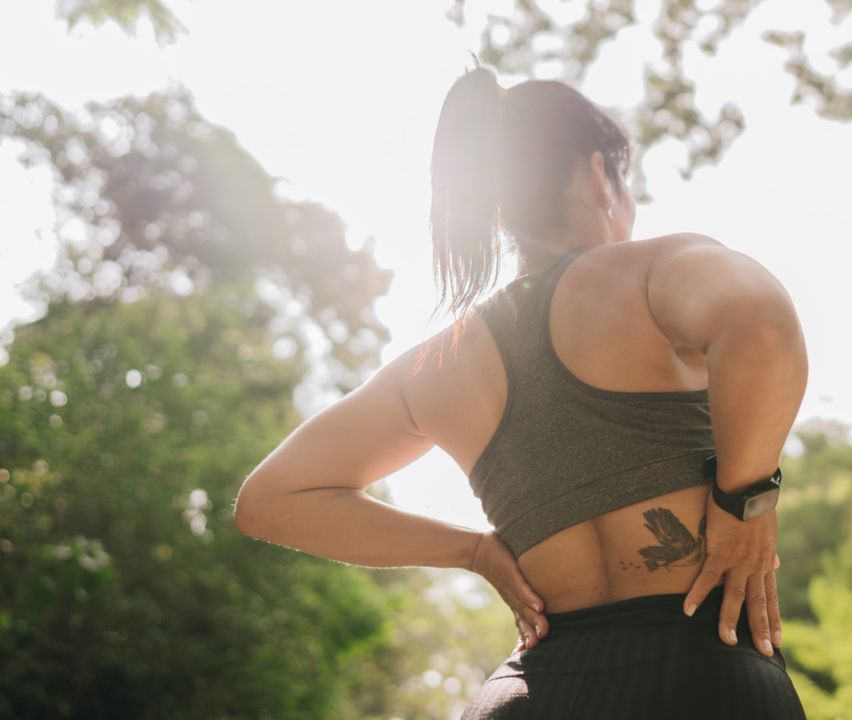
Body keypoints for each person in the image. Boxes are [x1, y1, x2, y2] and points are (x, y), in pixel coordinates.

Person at [233, 62, 809, 719]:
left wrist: (473, 550)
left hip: (527, 695)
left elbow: (269, 502)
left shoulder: (437, 364)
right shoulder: (652, 271)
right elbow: (761, 329)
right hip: (700, 677)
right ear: (599, 175)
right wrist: (744, 509)